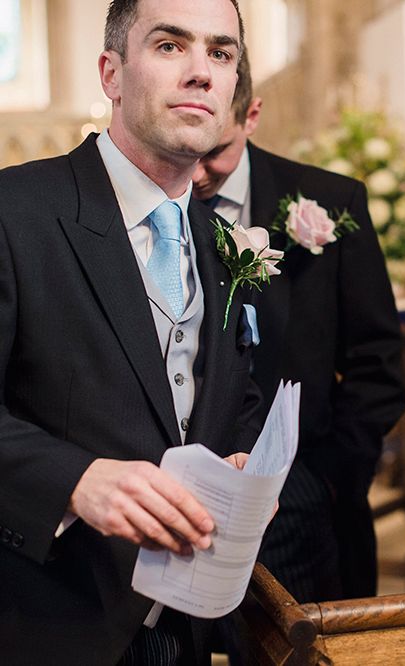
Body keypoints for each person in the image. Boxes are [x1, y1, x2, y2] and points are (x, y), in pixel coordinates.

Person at [0, 1, 265, 663]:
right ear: (111, 73)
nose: (202, 72)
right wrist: (74, 480)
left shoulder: (224, 243)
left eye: (222, 53)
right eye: (171, 46)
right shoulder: (16, 212)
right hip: (50, 620)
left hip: (189, 624)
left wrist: (238, 464)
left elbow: (230, 401)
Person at [192, 49, 405, 603]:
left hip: (306, 484)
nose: (197, 172)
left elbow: (376, 360)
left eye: (215, 152)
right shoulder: (161, 204)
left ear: (252, 115)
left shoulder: (330, 204)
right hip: (186, 489)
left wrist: (333, 476)